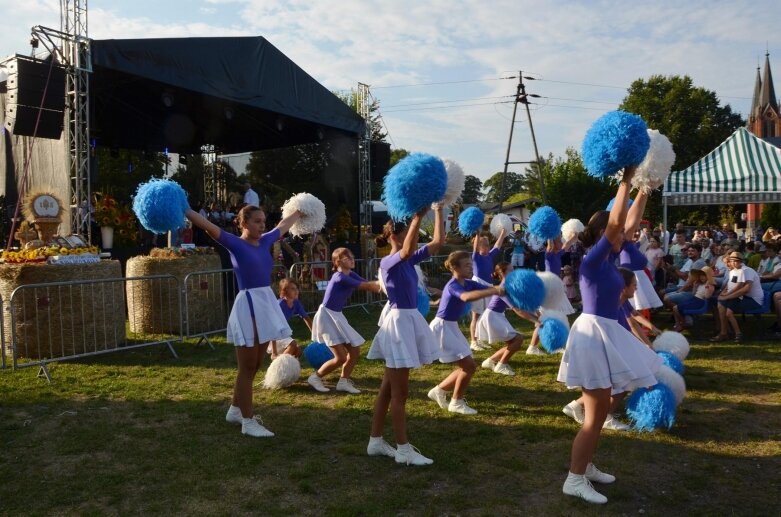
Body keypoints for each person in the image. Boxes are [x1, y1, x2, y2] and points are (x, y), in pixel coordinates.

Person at [557, 165, 661, 504]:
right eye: (613, 233)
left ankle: (584, 466)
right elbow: (618, 223)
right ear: (601, 232)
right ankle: (574, 478)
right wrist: (626, 180)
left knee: (600, 412)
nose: (626, 236)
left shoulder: (612, 256)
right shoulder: (591, 260)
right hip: (591, 334)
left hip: (605, 331)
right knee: (595, 413)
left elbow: (627, 225)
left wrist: (645, 186)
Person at [185, 203, 303, 438]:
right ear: (243, 223)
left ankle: (235, 410)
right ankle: (248, 422)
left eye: (263, 221)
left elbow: (283, 225)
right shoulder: (235, 243)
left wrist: (301, 210)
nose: (262, 225)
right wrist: (185, 209)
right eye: (257, 221)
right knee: (246, 368)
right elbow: (208, 226)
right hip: (248, 305)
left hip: (264, 303)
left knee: (255, 365)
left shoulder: (267, 240)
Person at [366, 206, 444, 466]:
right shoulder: (389, 262)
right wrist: (417, 217)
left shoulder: (408, 261)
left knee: (388, 390)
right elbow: (408, 249)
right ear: (392, 236)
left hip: (407, 320)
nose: (414, 237)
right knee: (400, 394)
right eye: (408, 232)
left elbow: (437, 242)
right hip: (398, 325)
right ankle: (403, 450)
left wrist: (439, 211)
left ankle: (375, 441)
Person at [427, 251, 505, 415]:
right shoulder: (453, 285)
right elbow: (466, 297)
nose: (471, 267)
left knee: (467, 366)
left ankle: (439, 391)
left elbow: (489, 287)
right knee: (468, 366)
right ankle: (456, 402)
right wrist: (494, 291)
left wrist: (505, 288)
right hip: (442, 328)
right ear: (455, 267)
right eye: (467, 265)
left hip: (451, 327)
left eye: (471, 264)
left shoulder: (468, 282)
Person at [307, 247, 381, 394]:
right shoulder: (340, 277)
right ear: (337, 262)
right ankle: (315, 377)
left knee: (354, 349)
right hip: (327, 316)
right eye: (348, 257)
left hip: (337, 315)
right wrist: (387, 281)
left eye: (352, 256)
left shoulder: (351, 274)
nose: (352, 259)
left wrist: (387, 284)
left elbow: (371, 285)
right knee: (340, 357)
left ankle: (343, 381)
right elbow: (366, 286)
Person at [478, 262, 539, 376]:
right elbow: (517, 309)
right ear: (503, 273)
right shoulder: (504, 287)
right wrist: (536, 320)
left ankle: (490, 361)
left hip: (496, 315)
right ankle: (501, 365)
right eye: (511, 270)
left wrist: (537, 314)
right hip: (492, 316)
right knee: (518, 339)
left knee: (513, 342)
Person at [710, 252, 764, 343]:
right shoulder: (734, 271)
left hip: (753, 300)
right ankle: (724, 332)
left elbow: (745, 289)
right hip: (743, 297)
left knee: (725, 307)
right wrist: (722, 294)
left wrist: (727, 297)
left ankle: (729, 333)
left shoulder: (746, 270)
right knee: (720, 303)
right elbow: (730, 285)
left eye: (731, 261)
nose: (728, 264)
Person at [468, 229, 507, 352]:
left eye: (488, 245)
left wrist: (502, 233)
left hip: (488, 286)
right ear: (479, 246)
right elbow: (474, 248)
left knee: (485, 314)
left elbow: (498, 245)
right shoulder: (475, 257)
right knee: (476, 315)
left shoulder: (489, 255)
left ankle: (478, 339)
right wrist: (478, 234)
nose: (487, 247)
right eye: (484, 245)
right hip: (477, 285)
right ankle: (473, 341)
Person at [617, 268, 662, 347]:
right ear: (624, 288)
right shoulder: (617, 304)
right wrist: (648, 345)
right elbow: (632, 324)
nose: (636, 288)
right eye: (634, 285)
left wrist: (652, 328)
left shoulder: (624, 301)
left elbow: (635, 314)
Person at [269, 278, 312, 359]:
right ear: (284, 292)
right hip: (271, 335)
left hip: (282, 333)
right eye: (292, 289)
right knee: (292, 344)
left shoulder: (296, 303)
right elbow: (272, 326)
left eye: (296, 288)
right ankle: (278, 364)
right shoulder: (280, 305)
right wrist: (274, 352)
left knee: (298, 351)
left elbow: (306, 318)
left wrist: (314, 335)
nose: (296, 291)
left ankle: (287, 368)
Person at [670, 266, 715, 332]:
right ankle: (681, 323)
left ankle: (683, 324)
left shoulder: (710, 286)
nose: (701, 277)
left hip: (700, 302)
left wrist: (707, 286)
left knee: (676, 308)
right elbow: (694, 294)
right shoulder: (700, 284)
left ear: (708, 276)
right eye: (700, 275)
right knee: (675, 308)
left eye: (704, 275)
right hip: (694, 299)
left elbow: (707, 296)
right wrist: (695, 286)